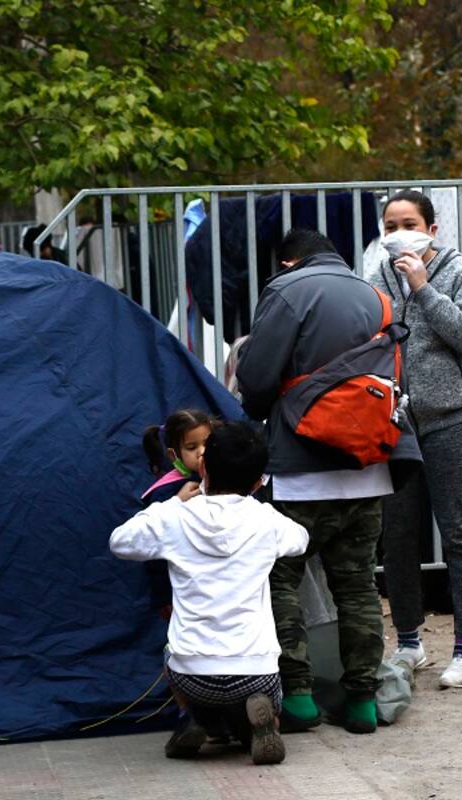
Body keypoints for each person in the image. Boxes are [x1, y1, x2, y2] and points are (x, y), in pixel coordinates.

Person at [235, 228, 397, 735]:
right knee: (357, 586)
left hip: (301, 471)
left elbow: (257, 379)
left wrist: (259, 412)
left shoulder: (286, 291)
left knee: (281, 579)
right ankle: (363, 702)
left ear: (287, 262)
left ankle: (300, 698)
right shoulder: (378, 296)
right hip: (368, 468)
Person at [110, 422, 309, 766]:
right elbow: (301, 539)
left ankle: (198, 718)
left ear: (202, 467)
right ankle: (265, 720)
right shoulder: (266, 520)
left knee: (172, 653)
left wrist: (171, 504)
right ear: (259, 482)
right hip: (255, 671)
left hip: (192, 673)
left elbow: (121, 541)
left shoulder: (176, 518)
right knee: (263, 693)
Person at [371, 190, 462, 689]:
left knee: (459, 533)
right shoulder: (375, 277)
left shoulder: (461, 271)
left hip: (451, 419)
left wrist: (422, 287)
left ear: (432, 229)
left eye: (410, 222)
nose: (400, 232)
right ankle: (409, 642)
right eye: (391, 224)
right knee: (397, 536)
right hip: (395, 425)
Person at [140, 409, 215, 506]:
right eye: (191, 448)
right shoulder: (166, 491)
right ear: (172, 455)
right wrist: (178, 501)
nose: (202, 452)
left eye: (208, 443)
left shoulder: (228, 468)